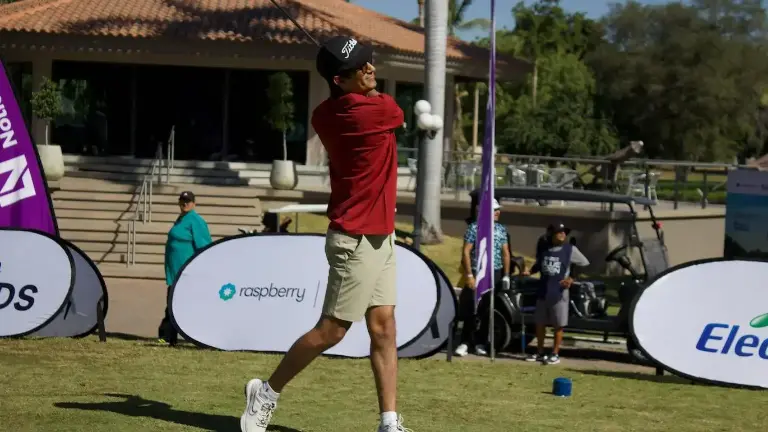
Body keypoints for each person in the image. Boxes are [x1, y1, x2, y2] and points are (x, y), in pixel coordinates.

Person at [239, 36, 408, 432]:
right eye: (360, 68)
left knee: (384, 327)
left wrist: (351, 65)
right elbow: (396, 112)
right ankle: (266, 392)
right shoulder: (368, 112)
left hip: (381, 235)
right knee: (331, 331)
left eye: (370, 61)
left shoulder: (325, 113)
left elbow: (355, 98)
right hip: (355, 238)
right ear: (339, 80)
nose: (370, 69)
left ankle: (388, 422)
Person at [523, 222, 589, 364]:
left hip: (559, 293)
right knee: (540, 324)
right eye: (559, 232)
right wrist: (529, 271)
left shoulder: (569, 249)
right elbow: (538, 264)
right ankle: (539, 352)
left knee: (558, 325)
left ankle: (555, 353)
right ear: (551, 235)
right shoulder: (544, 248)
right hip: (543, 290)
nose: (563, 234)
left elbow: (584, 263)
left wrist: (571, 278)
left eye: (564, 232)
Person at [454, 198, 511, 357]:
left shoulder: (501, 229)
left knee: (487, 309)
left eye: (498, 210)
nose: (498, 213)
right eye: (495, 210)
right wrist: (469, 275)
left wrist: (506, 276)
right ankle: (465, 342)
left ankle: (480, 342)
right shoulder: (474, 228)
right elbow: (466, 252)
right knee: (472, 308)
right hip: (477, 271)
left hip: (495, 273)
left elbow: (505, 253)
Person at [160, 191, 212, 346]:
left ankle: (202, 336)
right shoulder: (181, 219)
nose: (185, 204)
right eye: (182, 201)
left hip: (187, 272)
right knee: (172, 303)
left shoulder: (196, 221)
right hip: (176, 271)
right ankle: (169, 337)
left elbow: (204, 246)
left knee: (186, 304)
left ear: (194, 203)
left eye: (188, 201)